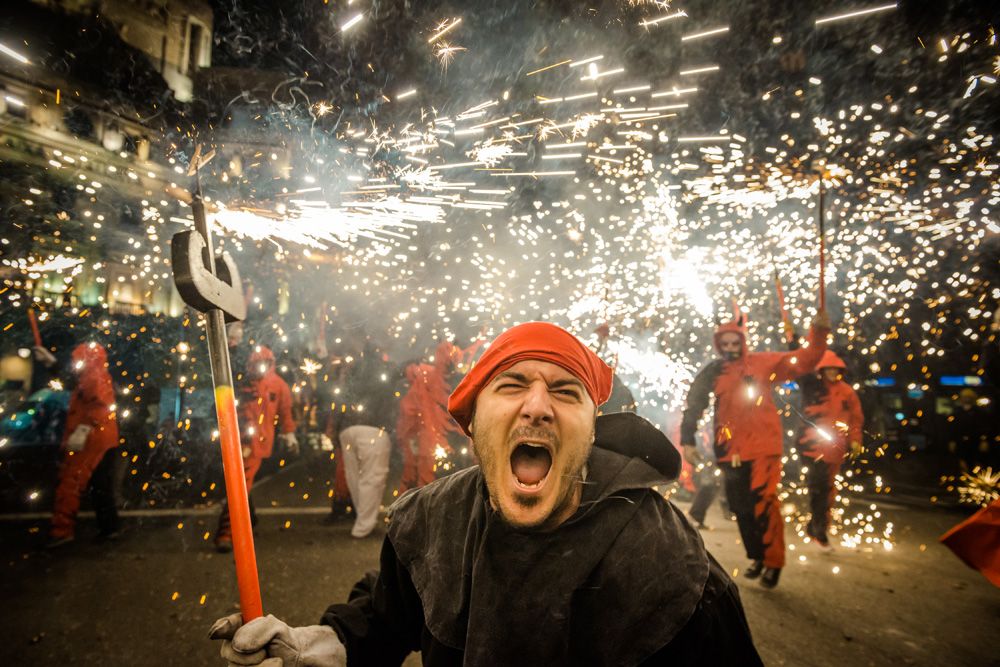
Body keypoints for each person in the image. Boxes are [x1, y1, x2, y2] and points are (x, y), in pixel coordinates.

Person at [210, 322, 762, 666]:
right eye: (513, 385)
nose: (538, 406)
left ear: (592, 436)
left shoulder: (677, 574)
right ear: (473, 426)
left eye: (565, 392)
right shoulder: (432, 521)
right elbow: (386, 617)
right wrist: (323, 644)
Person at [680, 310, 830, 588]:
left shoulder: (763, 363)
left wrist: (818, 333)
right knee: (741, 507)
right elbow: (695, 401)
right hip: (729, 451)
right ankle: (758, 556)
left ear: (742, 342)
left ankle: (774, 561)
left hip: (763, 447)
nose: (729, 349)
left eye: (734, 343)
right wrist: (687, 439)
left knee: (765, 500)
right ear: (718, 344)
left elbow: (805, 361)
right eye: (724, 344)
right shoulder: (714, 371)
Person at [215, 345, 297, 552]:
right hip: (243, 444)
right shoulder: (242, 384)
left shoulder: (279, 385)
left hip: (260, 443)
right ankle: (227, 532)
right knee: (241, 484)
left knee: (242, 483)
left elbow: (286, 412)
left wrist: (289, 434)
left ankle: (235, 527)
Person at [48, 342, 121, 547]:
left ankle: (62, 530)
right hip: (102, 438)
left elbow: (97, 404)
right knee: (100, 486)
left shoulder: (92, 376)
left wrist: (82, 430)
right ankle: (109, 528)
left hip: (91, 439)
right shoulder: (98, 375)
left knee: (71, 482)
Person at [796, 350, 864, 550]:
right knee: (818, 488)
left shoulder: (847, 392)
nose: (832, 372)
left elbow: (855, 419)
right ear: (822, 370)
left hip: (835, 449)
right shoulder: (814, 389)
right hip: (811, 448)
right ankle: (819, 530)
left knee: (826, 491)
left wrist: (855, 440)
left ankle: (816, 527)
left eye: (836, 369)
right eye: (829, 369)